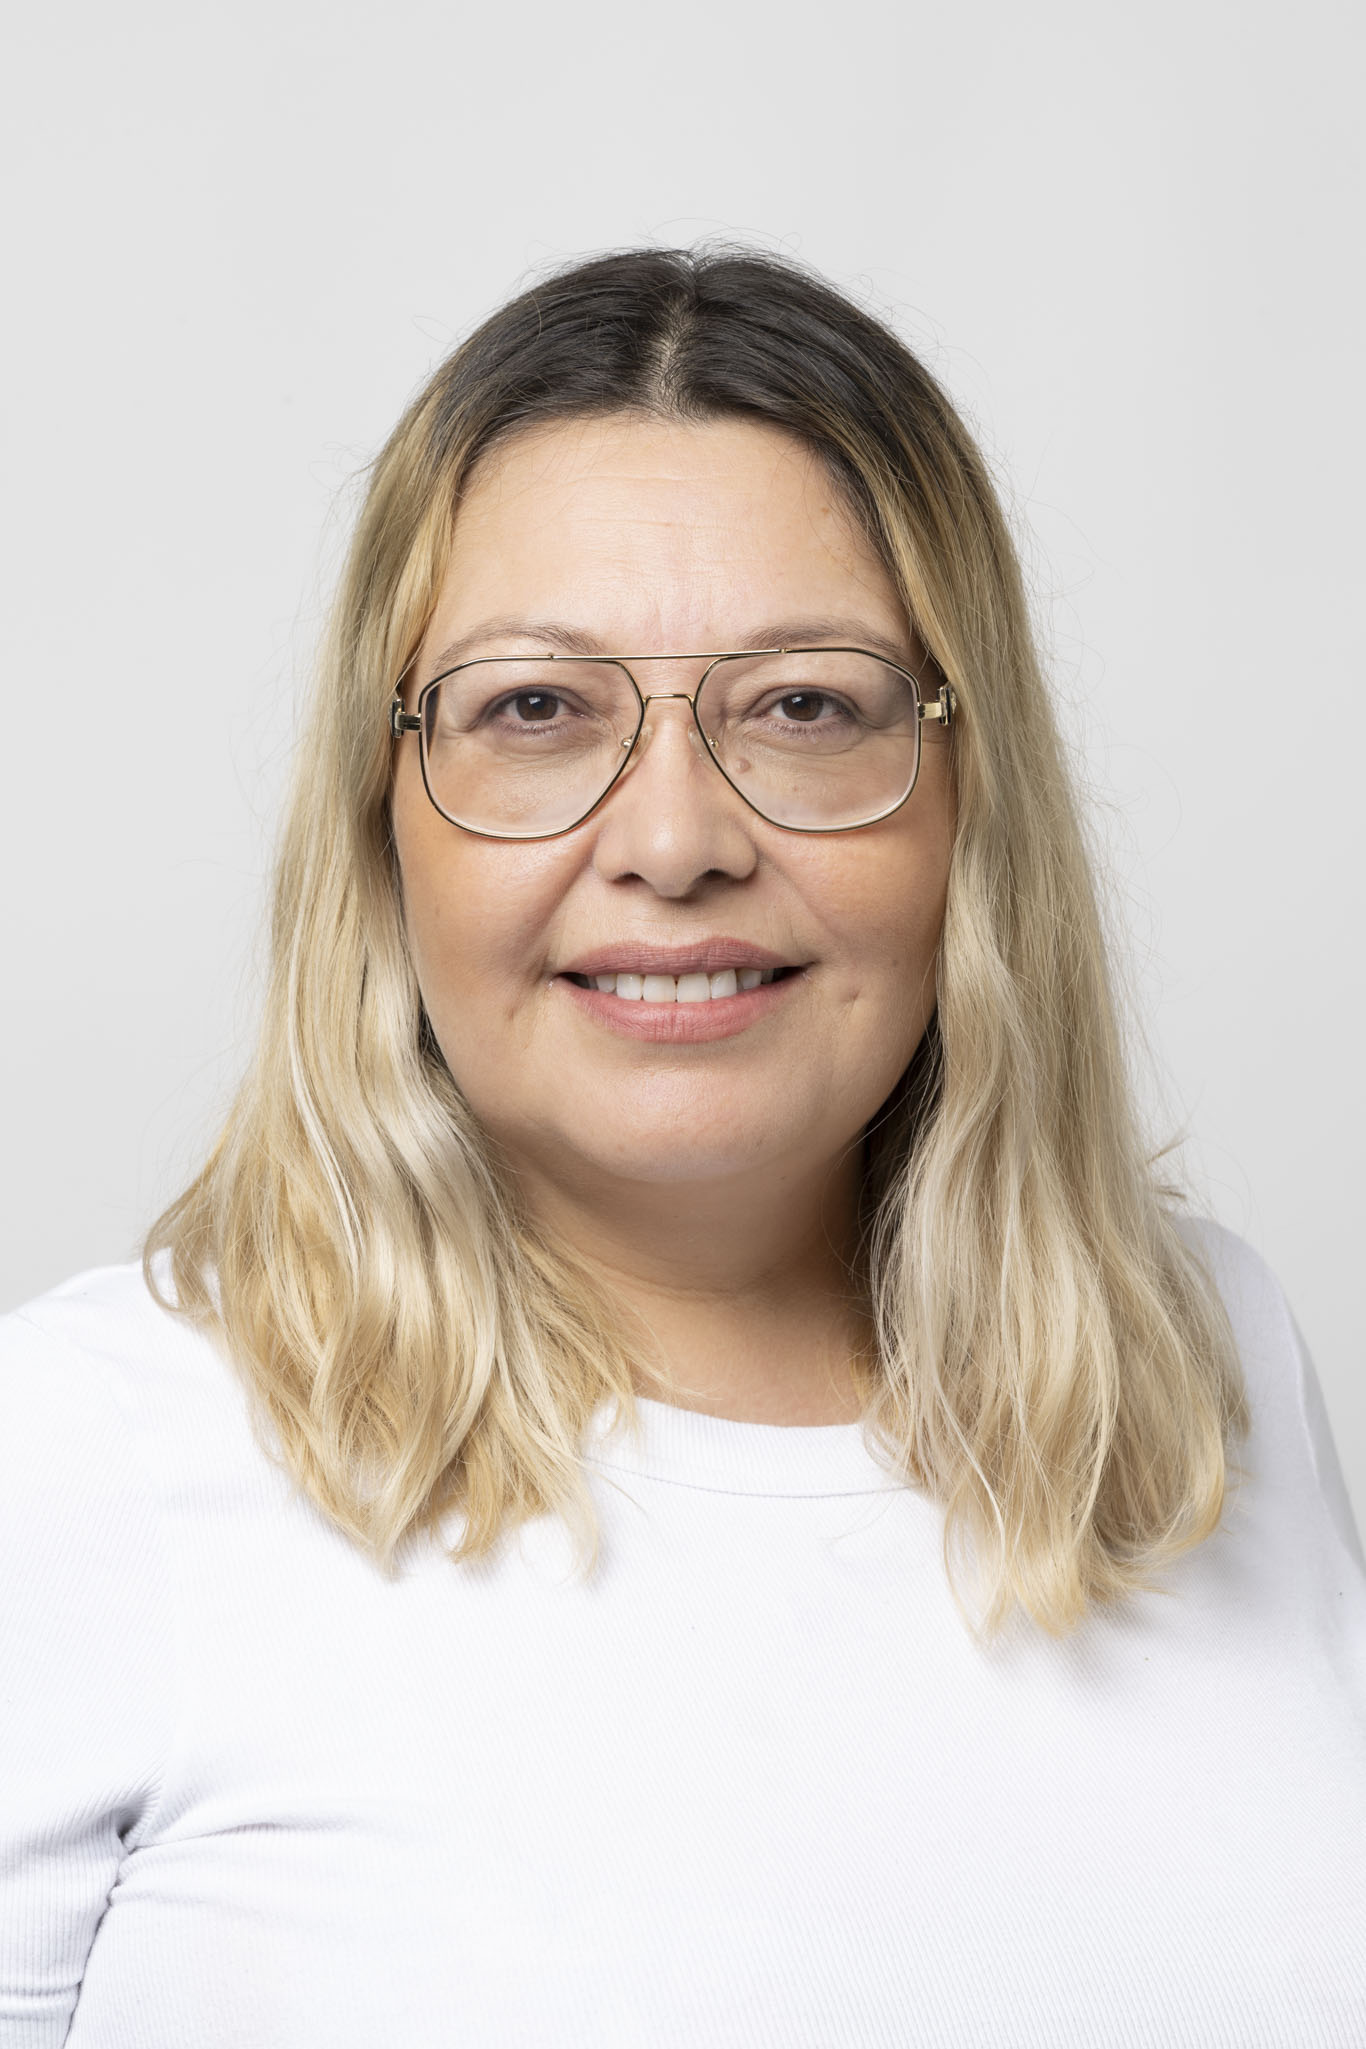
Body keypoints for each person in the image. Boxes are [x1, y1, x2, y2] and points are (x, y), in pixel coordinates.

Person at [2, 246, 1363, 2049]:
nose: (670, 839)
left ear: (971, 798)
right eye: (532, 708)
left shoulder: (1202, 1360)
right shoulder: (84, 1459)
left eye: (804, 705)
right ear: (381, 817)